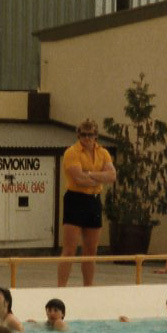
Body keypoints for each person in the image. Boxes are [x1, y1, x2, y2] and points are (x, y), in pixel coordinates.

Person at [57, 119, 116, 287]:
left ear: (96, 135)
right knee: (70, 249)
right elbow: (78, 178)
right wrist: (98, 177)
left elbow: (112, 176)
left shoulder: (103, 153)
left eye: (91, 135)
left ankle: (88, 288)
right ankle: (61, 288)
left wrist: (89, 174)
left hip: (94, 201)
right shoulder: (72, 152)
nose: (87, 138)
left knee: (91, 251)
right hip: (75, 199)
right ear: (78, 135)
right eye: (84, 134)